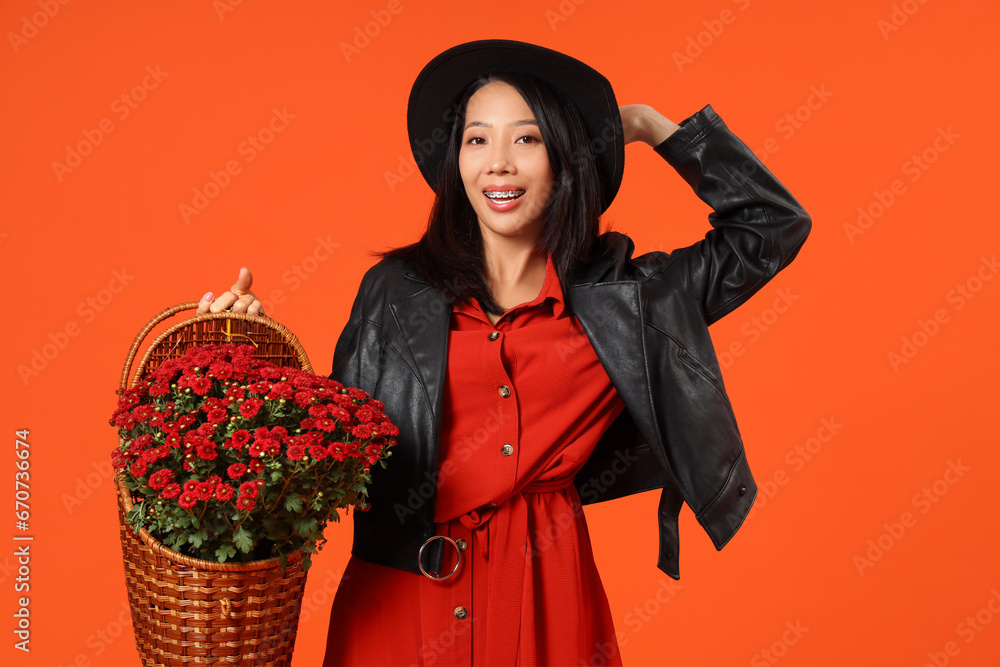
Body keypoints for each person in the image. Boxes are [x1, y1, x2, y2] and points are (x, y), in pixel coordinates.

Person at [199, 39, 810, 666]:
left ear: (565, 158)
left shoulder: (629, 298)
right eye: (476, 139)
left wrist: (651, 127)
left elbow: (772, 226)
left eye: (527, 140)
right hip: (399, 598)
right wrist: (253, 358)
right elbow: (337, 433)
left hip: (546, 593)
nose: (497, 164)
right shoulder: (394, 289)